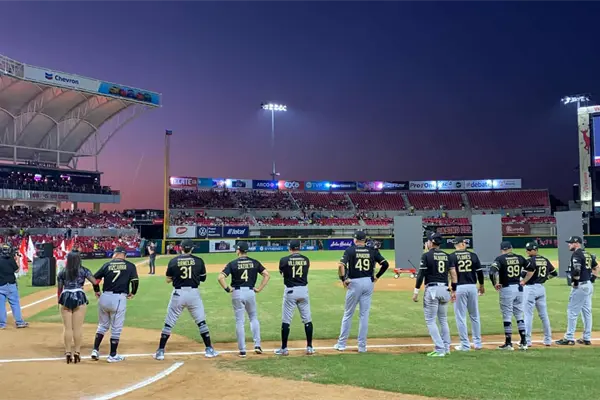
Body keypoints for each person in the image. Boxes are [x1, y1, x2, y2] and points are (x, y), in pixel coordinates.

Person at [154, 239, 218, 360]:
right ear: (192, 248)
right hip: (193, 294)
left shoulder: (173, 261)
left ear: (181, 248)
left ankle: (160, 351)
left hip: (178, 293)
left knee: (169, 321)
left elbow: (168, 279)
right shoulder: (199, 261)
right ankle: (209, 349)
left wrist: (177, 277)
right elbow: (203, 278)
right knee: (201, 321)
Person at [334, 230, 389, 353]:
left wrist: (343, 279)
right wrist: (377, 276)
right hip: (368, 283)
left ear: (355, 239)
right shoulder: (372, 250)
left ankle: (341, 344)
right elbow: (385, 264)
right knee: (364, 315)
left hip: (354, 283)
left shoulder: (350, 250)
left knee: (348, 314)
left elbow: (340, 265)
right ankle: (362, 346)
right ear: (364, 240)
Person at [218, 241, 270, 358]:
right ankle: (257, 345)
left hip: (237, 292)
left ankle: (242, 350)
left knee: (239, 321)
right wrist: (259, 288)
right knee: (253, 317)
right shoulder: (255, 262)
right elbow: (267, 275)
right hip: (250, 292)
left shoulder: (232, 263)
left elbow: (220, 277)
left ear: (238, 250)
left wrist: (227, 289)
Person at [90, 246, 139, 363]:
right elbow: (135, 281)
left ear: (115, 254)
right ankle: (112, 355)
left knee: (102, 325)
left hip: (104, 297)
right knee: (116, 328)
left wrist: (97, 291)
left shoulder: (107, 265)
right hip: (118, 299)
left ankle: (95, 350)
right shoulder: (130, 266)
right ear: (124, 255)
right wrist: (133, 292)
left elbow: (94, 279)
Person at [57, 252, 100, 363]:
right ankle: (77, 352)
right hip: (79, 296)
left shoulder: (62, 272)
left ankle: (67, 353)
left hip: (65, 296)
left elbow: (60, 289)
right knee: (77, 328)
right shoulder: (84, 270)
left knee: (67, 328)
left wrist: (60, 301)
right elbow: (94, 282)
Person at [413, 232, 451, 357]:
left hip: (433, 289)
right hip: (445, 289)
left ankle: (440, 349)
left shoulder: (426, 256)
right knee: (443, 320)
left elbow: (421, 275)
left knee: (430, 320)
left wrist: (416, 291)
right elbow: (452, 273)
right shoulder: (447, 256)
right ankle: (446, 347)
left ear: (430, 242)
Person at [274, 239, 314, 356]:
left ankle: (284, 348)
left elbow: (282, 273)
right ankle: (310, 347)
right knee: (307, 319)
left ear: (290, 248)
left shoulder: (284, 260)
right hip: (304, 290)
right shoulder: (306, 259)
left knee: (286, 320)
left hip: (290, 291)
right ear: (299, 247)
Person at [556, 236, 598, 346]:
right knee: (587, 312)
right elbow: (596, 267)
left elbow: (577, 269)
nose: (569, 245)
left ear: (577, 243)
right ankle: (586, 338)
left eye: (571, 243)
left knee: (572, 312)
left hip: (580, 286)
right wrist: (592, 279)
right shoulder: (587, 253)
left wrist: (574, 283)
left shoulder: (577, 254)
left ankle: (569, 337)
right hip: (588, 285)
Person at [489, 241, 529, 351]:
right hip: (519, 288)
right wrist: (524, 280)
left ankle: (508, 343)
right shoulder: (520, 257)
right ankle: (524, 342)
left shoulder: (500, 259)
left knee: (507, 315)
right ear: (511, 248)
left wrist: (495, 283)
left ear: (502, 249)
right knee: (519, 315)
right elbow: (531, 268)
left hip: (507, 288)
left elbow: (492, 272)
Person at [448, 236, 484, 351]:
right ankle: (478, 343)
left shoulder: (451, 256)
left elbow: (451, 275)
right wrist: (481, 285)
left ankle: (465, 345)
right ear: (462, 244)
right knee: (475, 316)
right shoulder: (473, 255)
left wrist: (452, 289)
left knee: (460, 317)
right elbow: (479, 272)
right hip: (472, 287)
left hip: (459, 288)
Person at [520, 241, 556, 347]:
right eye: (527, 249)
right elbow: (554, 273)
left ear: (535, 250)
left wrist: (523, 281)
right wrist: (545, 278)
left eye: (529, 250)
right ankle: (548, 340)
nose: (527, 251)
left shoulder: (529, 261)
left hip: (530, 288)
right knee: (544, 315)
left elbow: (523, 275)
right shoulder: (545, 260)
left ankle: (527, 340)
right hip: (541, 288)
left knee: (528, 315)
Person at [0, 244, 28, 330]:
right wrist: (18, 259)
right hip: (11, 285)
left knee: (1, 305)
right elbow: (17, 270)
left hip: (1, 285)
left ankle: (2, 324)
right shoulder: (11, 259)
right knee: (15, 303)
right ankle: (19, 322)